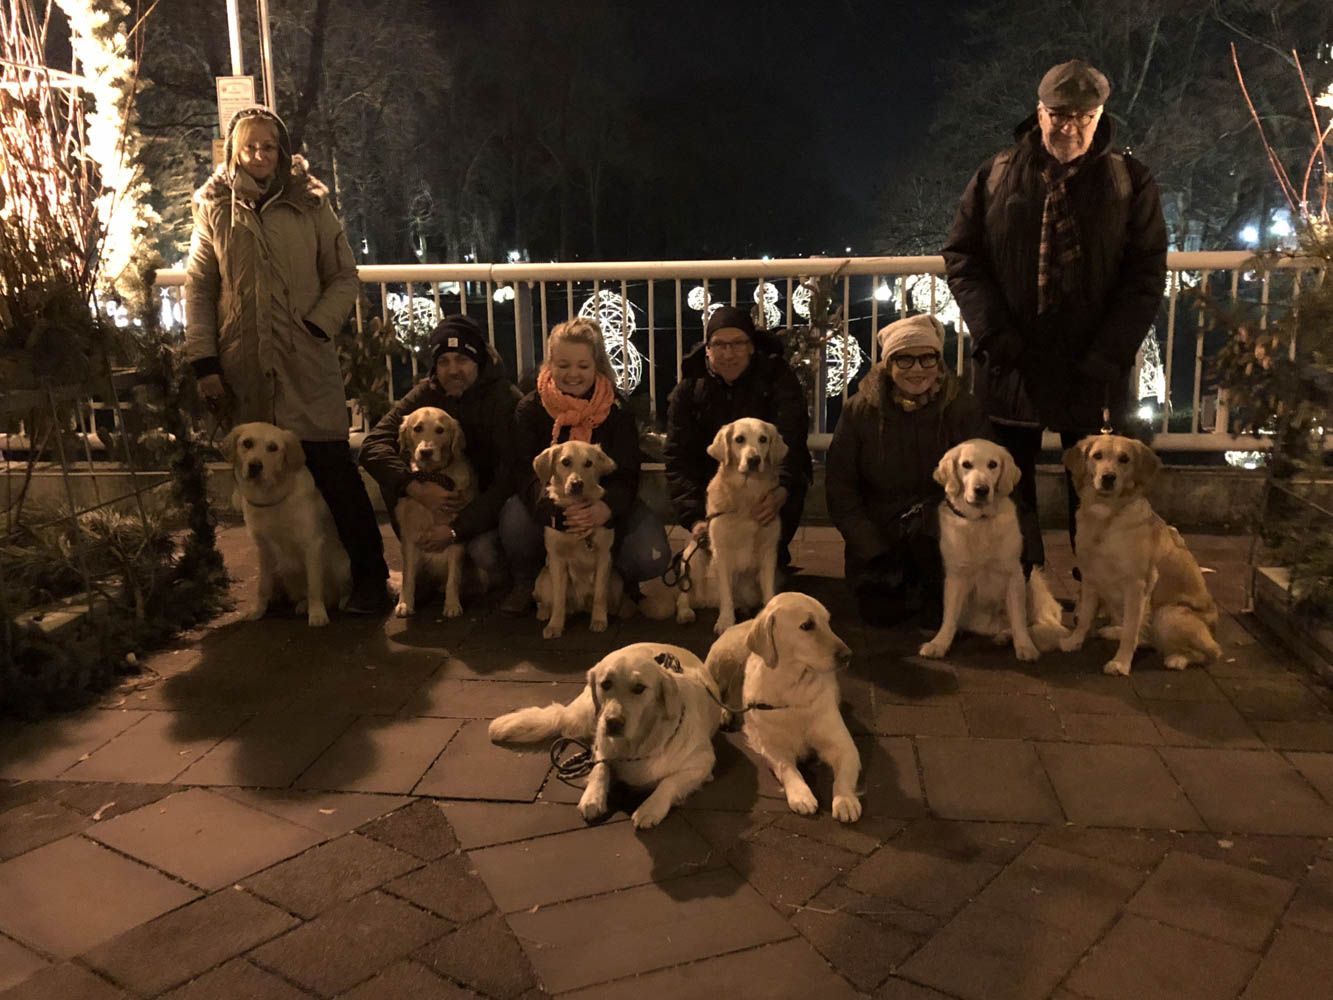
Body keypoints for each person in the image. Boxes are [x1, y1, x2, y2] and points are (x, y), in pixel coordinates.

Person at [941, 59, 1167, 571]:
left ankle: (1097, 592)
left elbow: (1146, 272)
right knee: (1005, 493)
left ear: (1100, 116)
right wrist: (994, 332)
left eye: (1084, 117)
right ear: (1039, 113)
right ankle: (1019, 587)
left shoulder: (1129, 179)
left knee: (1098, 494)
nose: (1070, 128)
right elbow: (963, 257)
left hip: (1094, 365)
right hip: (1012, 360)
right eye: (1059, 115)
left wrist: (1111, 352)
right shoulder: (997, 174)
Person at [185, 106, 390, 613]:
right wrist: (205, 361)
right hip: (246, 366)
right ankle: (279, 586)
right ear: (234, 152)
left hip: (304, 362)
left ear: (282, 151)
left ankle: (370, 578)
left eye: (269, 146)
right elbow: (201, 286)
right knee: (260, 481)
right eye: (249, 146)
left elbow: (343, 274)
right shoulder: (214, 208)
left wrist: (317, 324)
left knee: (334, 472)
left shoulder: (310, 204)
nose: (259, 155)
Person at [826, 314, 992, 626]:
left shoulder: (963, 409)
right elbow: (841, 488)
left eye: (927, 358)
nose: (917, 369)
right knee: (881, 615)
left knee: (943, 613)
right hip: (880, 534)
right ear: (888, 365)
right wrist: (872, 547)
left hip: (943, 532)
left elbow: (988, 477)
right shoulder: (860, 411)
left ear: (938, 362)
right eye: (904, 359)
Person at [500, 317, 670, 614]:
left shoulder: (616, 410)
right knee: (514, 518)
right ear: (550, 364)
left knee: (649, 555)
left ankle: (618, 583)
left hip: (603, 500)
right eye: (563, 365)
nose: (573, 374)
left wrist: (606, 508)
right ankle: (527, 582)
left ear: (597, 366)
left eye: (583, 366)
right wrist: (555, 510)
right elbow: (523, 472)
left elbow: (627, 474)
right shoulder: (530, 408)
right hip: (549, 501)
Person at [359, 314, 522, 599]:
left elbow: (510, 477)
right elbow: (373, 445)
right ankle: (423, 571)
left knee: (483, 552)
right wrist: (414, 487)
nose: (452, 370)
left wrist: (456, 530)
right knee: (391, 474)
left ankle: (519, 582)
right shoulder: (426, 394)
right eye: (444, 361)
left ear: (478, 361)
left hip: (488, 504)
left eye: (462, 360)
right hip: (440, 495)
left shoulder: (505, 399)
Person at [665, 305, 812, 571]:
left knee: (767, 563)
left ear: (752, 347)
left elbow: (792, 442)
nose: (728, 353)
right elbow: (678, 460)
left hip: (768, 488)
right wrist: (696, 518)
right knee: (710, 564)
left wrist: (782, 490)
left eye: (738, 343)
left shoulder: (778, 380)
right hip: (714, 495)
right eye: (719, 344)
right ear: (707, 349)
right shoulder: (688, 390)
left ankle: (774, 557)